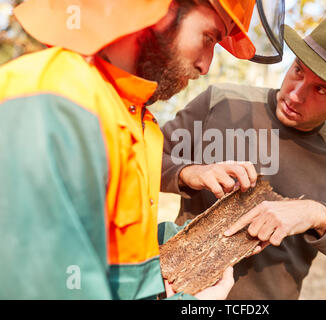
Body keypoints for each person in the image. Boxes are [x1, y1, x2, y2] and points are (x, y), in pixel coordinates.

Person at [0, 0, 282, 300]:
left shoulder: (137, 119)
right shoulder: (55, 98)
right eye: (209, 38)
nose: (205, 65)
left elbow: (110, 246)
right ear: (164, 9)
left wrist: (192, 240)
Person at [161, 9, 326, 299]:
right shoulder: (221, 103)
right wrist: (189, 173)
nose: (296, 93)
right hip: (178, 297)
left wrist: (318, 215)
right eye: (298, 69)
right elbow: (136, 161)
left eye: (320, 89)